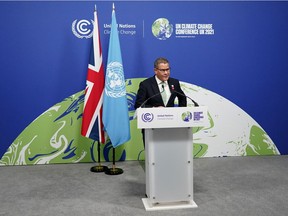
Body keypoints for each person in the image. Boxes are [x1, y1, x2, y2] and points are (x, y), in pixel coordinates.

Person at [134, 57, 187, 147]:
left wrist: (180, 113)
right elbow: (139, 105)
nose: (166, 73)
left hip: (170, 124)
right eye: (163, 70)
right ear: (155, 70)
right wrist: (155, 109)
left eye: (168, 69)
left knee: (170, 150)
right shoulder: (146, 84)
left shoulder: (174, 82)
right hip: (151, 126)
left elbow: (182, 97)